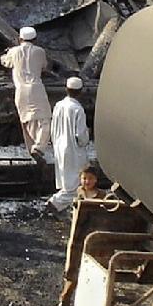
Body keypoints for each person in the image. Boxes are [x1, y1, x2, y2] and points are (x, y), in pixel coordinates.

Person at [51, 167, 108, 306]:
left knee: (97, 271)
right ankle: (65, 301)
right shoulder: (79, 193)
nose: (86, 181)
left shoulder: (103, 196)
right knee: (72, 270)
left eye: (90, 178)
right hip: (78, 237)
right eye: (84, 178)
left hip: (95, 238)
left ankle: (95, 305)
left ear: (96, 179)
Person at [0, 26, 51, 155]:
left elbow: (5, 62)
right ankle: (39, 147)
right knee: (44, 120)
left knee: (26, 121)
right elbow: (44, 66)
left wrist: (3, 56)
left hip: (20, 90)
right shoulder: (40, 51)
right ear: (35, 39)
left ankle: (32, 150)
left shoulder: (13, 51)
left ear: (19, 39)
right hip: (36, 88)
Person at [46, 78, 91, 214]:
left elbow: (53, 126)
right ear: (80, 92)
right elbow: (81, 134)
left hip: (59, 146)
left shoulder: (58, 105)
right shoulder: (78, 109)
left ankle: (72, 210)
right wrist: (86, 140)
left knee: (66, 181)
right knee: (75, 185)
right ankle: (53, 205)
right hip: (73, 150)